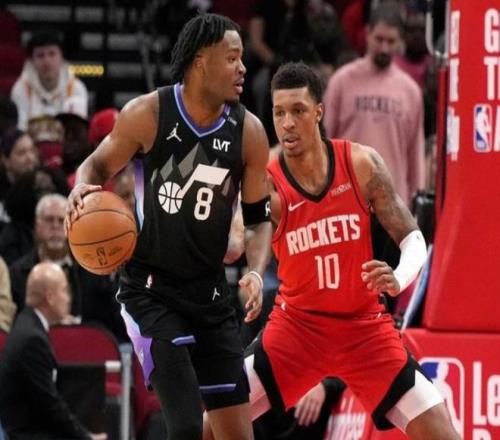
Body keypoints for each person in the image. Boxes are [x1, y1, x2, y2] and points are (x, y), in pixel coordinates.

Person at [204, 62, 460, 440]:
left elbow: (413, 238)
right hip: (297, 330)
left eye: (298, 111)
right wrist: (216, 231)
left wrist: (398, 277)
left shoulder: (360, 164)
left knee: (443, 432)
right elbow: (238, 241)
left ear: (319, 112)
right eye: (279, 113)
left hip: (364, 330)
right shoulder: (268, 183)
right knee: (210, 426)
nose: (287, 123)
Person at [66, 13, 272, 440]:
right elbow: (96, 165)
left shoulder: (248, 132)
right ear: (201, 62)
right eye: (232, 58)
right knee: (184, 425)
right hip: (150, 293)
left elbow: (258, 219)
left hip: (210, 294)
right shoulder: (148, 114)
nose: (242, 68)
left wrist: (255, 271)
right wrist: (82, 188)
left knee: (237, 434)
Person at [0, 261, 107, 440]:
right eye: (65, 290)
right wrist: (86, 437)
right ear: (50, 297)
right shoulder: (32, 339)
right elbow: (50, 404)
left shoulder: (28, 324)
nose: (68, 298)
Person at [9, 193, 126, 341]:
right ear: (37, 225)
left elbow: (111, 320)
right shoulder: (18, 272)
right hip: (37, 343)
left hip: (86, 344)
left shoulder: (93, 269)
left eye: (62, 220)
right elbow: (16, 322)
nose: (55, 226)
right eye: (49, 220)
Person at [10, 30, 88, 130]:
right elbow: (20, 130)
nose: (47, 61)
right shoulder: (20, 89)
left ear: (62, 57)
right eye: (40, 55)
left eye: (52, 54)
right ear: (31, 61)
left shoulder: (76, 88)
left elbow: (77, 132)